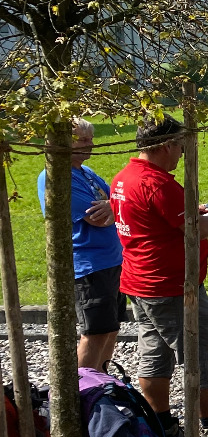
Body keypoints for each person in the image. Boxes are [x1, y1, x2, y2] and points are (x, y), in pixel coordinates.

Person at [111, 116, 208, 437]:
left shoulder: (124, 177)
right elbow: (199, 230)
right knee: (198, 353)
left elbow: (163, 219)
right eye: (180, 146)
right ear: (165, 146)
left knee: (154, 354)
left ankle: (162, 426)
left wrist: (193, 210)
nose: (181, 153)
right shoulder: (156, 184)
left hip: (140, 282)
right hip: (171, 286)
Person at [37, 117, 125, 371]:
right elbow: (97, 218)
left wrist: (114, 207)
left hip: (111, 260)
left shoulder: (86, 173)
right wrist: (115, 208)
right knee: (95, 332)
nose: (91, 144)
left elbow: (118, 202)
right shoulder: (57, 175)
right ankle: (84, 388)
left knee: (110, 328)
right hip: (89, 265)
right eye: (83, 140)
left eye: (91, 139)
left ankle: (102, 381)